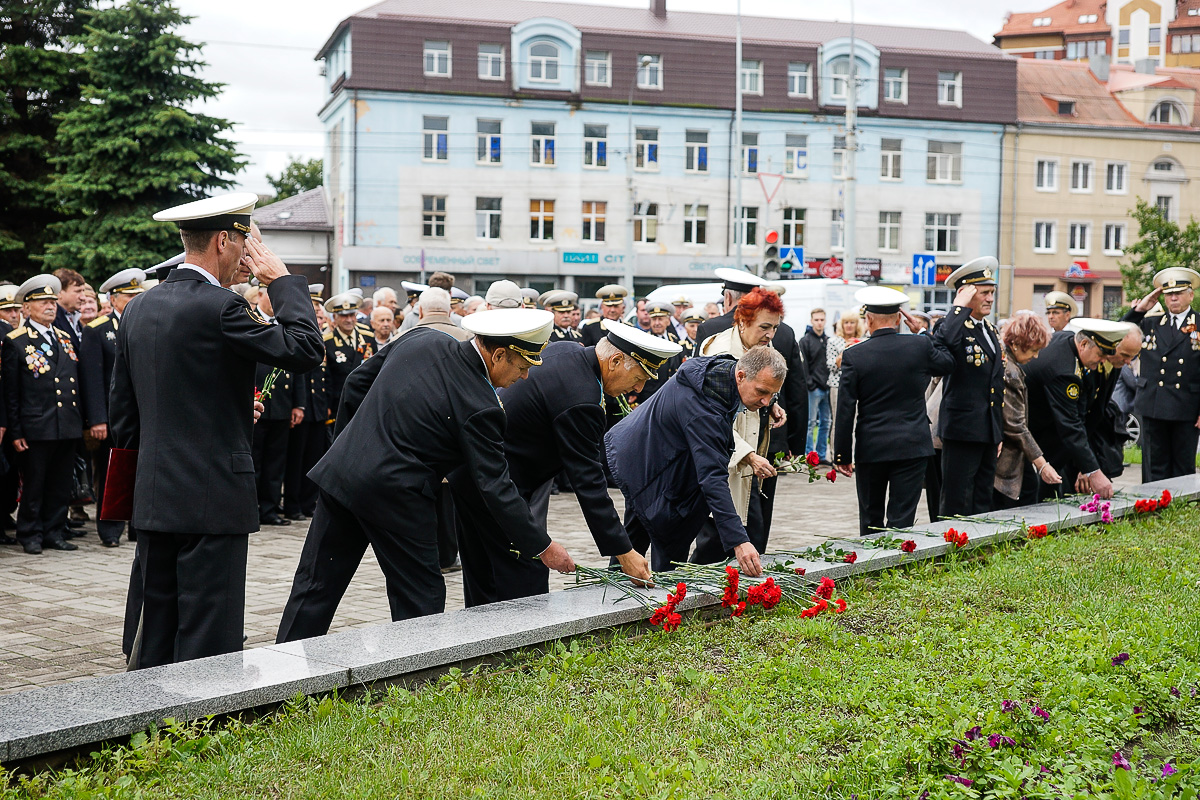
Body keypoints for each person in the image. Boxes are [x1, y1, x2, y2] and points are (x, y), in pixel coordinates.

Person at [111, 192, 323, 669]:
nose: (249, 257)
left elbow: (127, 414)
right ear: (224, 240)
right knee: (210, 633)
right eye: (246, 242)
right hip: (212, 495)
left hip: (154, 495)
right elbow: (306, 349)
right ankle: (201, 732)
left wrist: (129, 498)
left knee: (157, 628)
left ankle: (146, 725)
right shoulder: (223, 307)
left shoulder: (138, 310)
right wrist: (283, 280)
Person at [276, 310, 577, 642]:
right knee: (422, 595)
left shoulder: (424, 339)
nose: (523, 378)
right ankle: (414, 684)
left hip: (342, 476)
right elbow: (496, 487)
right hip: (398, 496)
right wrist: (543, 546)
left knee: (316, 583)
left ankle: (283, 675)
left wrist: (349, 446)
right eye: (522, 367)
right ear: (499, 354)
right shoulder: (482, 405)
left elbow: (356, 382)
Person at [451, 321, 674, 606]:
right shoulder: (583, 398)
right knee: (524, 582)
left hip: (473, 476)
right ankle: (520, 648)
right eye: (639, 377)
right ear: (616, 360)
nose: (639, 387)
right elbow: (589, 482)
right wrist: (625, 552)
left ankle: (480, 646)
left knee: (484, 577)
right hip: (497, 488)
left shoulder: (571, 352)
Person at [607, 347, 785, 574]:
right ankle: (660, 602)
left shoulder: (722, 374)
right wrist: (739, 541)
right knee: (667, 547)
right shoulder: (705, 406)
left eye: (773, 395)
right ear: (740, 376)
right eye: (762, 391)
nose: (766, 401)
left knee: (638, 538)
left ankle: (626, 590)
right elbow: (712, 477)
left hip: (657, 459)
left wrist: (767, 400)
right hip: (647, 464)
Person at [831, 288, 955, 536]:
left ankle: (870, 565)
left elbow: (845, 409)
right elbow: (948, 362)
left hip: (872, 446)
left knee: (870, 518)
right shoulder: (919, 345)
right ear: (899, 319)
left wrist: (842, 454)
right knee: (902, 517)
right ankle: (896, 565)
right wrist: (922, 332)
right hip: (912, 444)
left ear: (868, 320)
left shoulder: (854, 355)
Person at [689, 287, 787, 564]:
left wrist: (771, 403)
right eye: (764, 327)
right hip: (724, 458)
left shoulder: (760, 348)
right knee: (715, 539)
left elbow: (759, 388)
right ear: (743, 321)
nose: (770, 335)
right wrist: (748, 454)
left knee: (749, 530)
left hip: (747, 460)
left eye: (775, 328)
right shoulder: (719, 353)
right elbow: (710, 417)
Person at [2, 275, 96, 554]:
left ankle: (54, 531)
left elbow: (77, 383)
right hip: (35, 427)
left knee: (60, 484)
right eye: (43, 302)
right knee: (35, 484)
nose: (50, 307)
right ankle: (30, 532)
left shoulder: (64, 338)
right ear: (27, 308)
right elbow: (11, 394)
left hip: (66, 424)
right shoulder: (16, 341)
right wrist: (16, 432)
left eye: (53, 302)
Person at [1023, 318, 1131, 501]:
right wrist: (1094, 472)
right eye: (1101, 354)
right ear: (1083, 344)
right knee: (1031, 492)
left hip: (1048, 430)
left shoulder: (1071, 345)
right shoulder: (1063, 370)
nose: (1104, 360)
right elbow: (1071, 425)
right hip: (1027, 430)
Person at [930, 258, 1005, 517]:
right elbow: (940, 347)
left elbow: (995, 385)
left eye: (992, 292)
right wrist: (958, 309)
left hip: (986, 431)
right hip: (962, 431)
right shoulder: (951, 326)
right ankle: (951, 549)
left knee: (983, 498)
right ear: (966, 295)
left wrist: (996, 432)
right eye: (983, 293)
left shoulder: (989, 330)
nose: (990, 298)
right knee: (956, 500)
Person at [79, 268, 148, 546]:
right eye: (128, 296)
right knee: (111, 472)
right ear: (114, 298)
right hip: (112, 415)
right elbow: (92, 379)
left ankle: (136, 526)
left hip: (143, 412)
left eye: (136, 295)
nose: (133, 300)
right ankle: (109, 531)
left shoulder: (145, 322)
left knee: (140, 470)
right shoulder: (98, 330)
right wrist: (97, 419)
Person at [1122, 267, 1200, 481]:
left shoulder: (1198, 324)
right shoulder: (1151, 323)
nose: (1173, 298)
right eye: (1168, 294)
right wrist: (1139, 310)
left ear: (1190, 295)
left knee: (1182, 468)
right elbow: (1118, 334)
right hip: (1153, 405)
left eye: (1179, 293)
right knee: (1153, 467)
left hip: (1186, 407)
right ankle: (1153, 508)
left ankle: (1180, 512)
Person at [250, 286, 306, 527]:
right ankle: (251, 508)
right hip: (255, 402)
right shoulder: (247, 318)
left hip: (281, 404)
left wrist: (299, 403)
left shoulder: (285, 323)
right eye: (268, 294)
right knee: (254, 460)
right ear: (259, 295)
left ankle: (270, 509)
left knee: (276, 462)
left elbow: (297, 365)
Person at [992, 312, 1059, 509]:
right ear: (1015, 343)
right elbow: (1015, 425)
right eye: (1033, 349)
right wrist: (1043, 465)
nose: (1036, 356)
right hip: (1003, 456)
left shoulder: (1008, 362)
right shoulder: (1010, 371)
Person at [1083, 324, 1143, 483]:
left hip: (1094, 435)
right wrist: (1085, 466)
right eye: (1125, 355)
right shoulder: (1091, 363)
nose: (1128, 362)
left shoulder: (1116, 363)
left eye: (1133, 356)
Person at [323, 290, 375, 411]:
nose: (349, 320)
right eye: (344, 316)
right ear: (335, 317)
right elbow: (326, 377)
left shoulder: (367, 337)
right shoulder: (327, 342)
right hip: (338, 402)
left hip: (364, 400)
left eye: (352, 315)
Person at [826, 308, 864, 457]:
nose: (849, 326)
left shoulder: (863, 341)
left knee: (856, 421)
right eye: (846, 322)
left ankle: (854, 455)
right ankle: (837, 455)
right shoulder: (833, 341)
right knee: (838, 421)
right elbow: (831, 366)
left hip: (858, 386)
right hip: (837, 385)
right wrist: (845, 350)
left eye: (852, 323)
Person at [635, 300, 685, 402]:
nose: (657, 323)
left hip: (671, 396)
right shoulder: (644, 341)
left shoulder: (674, 340)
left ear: (668, 321)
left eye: (660, 319)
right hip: (649, 397)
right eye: (654, 319)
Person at [800, 308, 831, 461]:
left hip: (827, 388)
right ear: (811, 321)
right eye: (816, 320)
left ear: (825, 321)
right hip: (813, 389)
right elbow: (803, 366)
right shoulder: (805, 341)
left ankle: (821, 454)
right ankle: (808, 455)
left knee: (826, 422)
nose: (819, 323)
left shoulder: (828, 340)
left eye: (822, 320)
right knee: (810, 423)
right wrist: (810, 384)